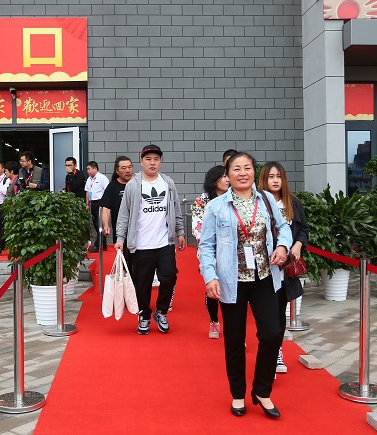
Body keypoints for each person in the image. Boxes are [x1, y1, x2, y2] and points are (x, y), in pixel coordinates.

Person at [198, 152, 292, 419]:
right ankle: (238, 393)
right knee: (235, 341)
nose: (242, 173)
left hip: (264, 276)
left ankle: (262, 390)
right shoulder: (216, 207)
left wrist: (283, 246)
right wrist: (210, 277)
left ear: (254, 171)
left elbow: (284, 227)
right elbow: (206, 246)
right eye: (236, 169)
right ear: (227, 175)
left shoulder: (266, 200)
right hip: (232, 281)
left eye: (247, 168)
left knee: (272, 333)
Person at [114, 144, 186, 335]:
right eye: (148, 159)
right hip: (141, 245)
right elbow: (124, 214)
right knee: (142, 284)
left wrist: (180, 232)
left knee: (169, 276)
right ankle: (144, 315)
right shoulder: (133, 185)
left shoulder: (168, 183)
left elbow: (176, 210)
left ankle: (161, 312)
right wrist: (120, 238)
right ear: (141, 162)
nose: (152, 163)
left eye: (156, 159)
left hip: (165, 242)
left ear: (160, 161)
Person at [258, 161, 310, 374]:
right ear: (264, 179)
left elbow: (304, 229)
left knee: (279, 312)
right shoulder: (257, 202)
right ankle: (268, 351)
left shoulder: (292, 202)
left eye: (278, 176)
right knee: (266, 315)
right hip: (262, 268)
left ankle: (276, 351)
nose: (275, 180)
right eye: (271, 177)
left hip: (285, 269)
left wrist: (297, 245)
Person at [192, 165, 229, 339]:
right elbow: (197, 227)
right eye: (223, 176)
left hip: (232, 250)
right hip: (210, 250)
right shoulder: (202, 201)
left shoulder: (234, 197)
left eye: (228, 176)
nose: (227, 179)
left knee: (232, 289)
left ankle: (233, 328)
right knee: (213, 287)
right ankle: (214, 320)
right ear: (214, 180)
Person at [100, 156, 133, 260]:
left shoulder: (139, 183)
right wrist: (106, 225)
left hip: (141, 231)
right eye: (124, 168)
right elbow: (106, 208)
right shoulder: (112, 187)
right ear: (117, 171)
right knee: (125, 261)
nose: (127, 170)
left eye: (130, 167)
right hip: (121, 231)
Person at [0, 160, 18, 256]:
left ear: (3, 169)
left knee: (4, 227)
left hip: (3, 205)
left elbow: (6, 192)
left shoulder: (7, 179)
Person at [85, 161, 109, 252]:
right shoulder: (89, 179)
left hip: (101, 202)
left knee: (99, 224)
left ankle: (97, 245)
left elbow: (107, 191)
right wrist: (87, 204)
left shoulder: (102, 178)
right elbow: (87, 192)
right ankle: (104, 244)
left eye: (89, 169)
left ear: (95, 168)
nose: (88, 171)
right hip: (93, 203)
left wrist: (105, 204)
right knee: (96, 224)